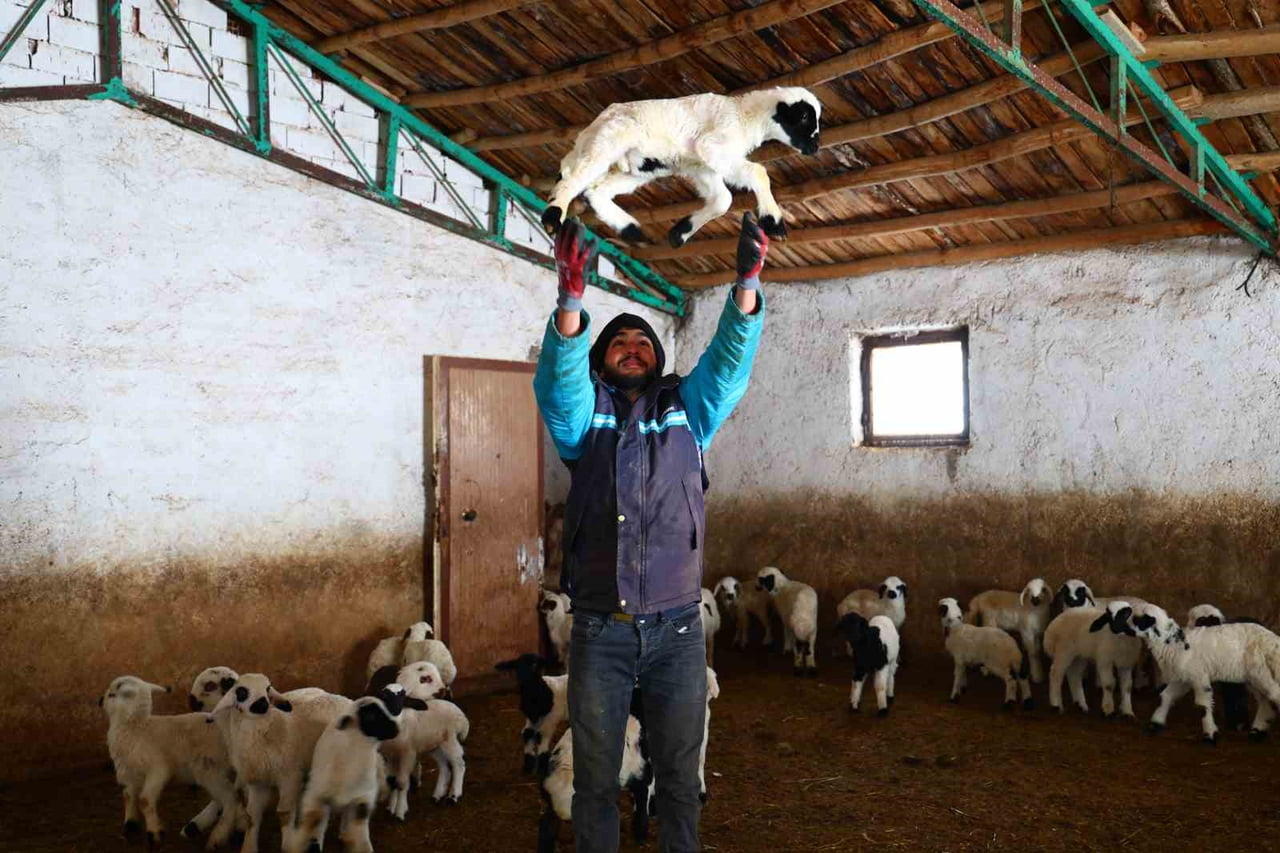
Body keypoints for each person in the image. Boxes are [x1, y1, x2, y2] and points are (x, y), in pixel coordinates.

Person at [532, 212, 769, 853]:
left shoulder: (689, 411)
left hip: (679, 630)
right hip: (600, 629)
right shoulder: (584, 419)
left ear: (658, 359)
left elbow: (728, 365)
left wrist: (747, 285)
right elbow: (558, 385)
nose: (633, 345)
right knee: (594, 779)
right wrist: (571, 300)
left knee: (681, 779)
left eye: (643, 340)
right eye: (620, 341)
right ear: (602, 360)